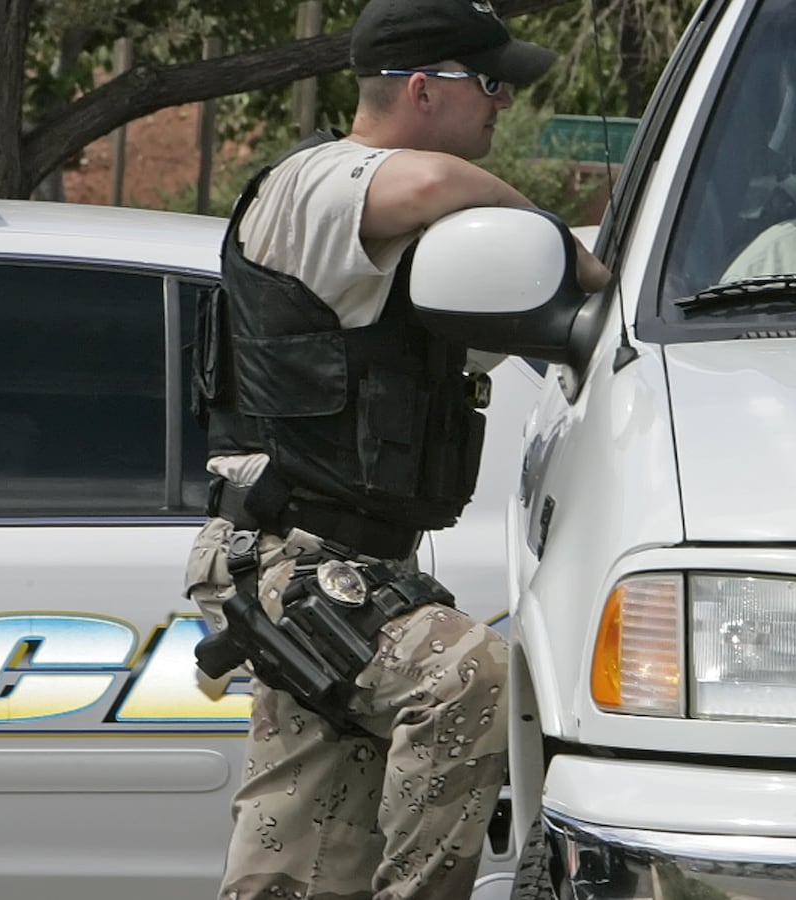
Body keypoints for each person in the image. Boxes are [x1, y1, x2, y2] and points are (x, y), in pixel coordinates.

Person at [185, 1, 612, 898]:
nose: (503, 104)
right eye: (489, 83)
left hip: (353, 573)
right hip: (290, 563)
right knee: (469, 676)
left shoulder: (406, 241)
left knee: (290, 870)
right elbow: (424, 187)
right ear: (423, 88)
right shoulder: (317, 183)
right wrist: (567, 249)